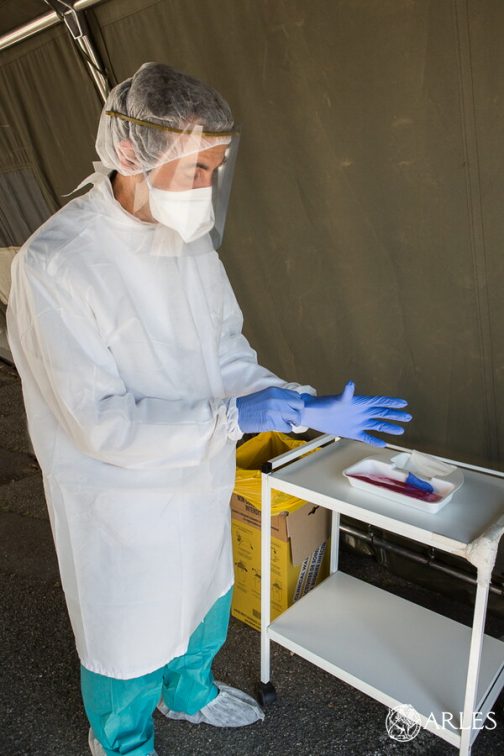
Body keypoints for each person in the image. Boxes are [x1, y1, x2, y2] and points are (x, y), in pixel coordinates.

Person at [6, 63, 412, 756]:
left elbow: (223, 351)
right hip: (121, 501)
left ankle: (189, 691)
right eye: (197, 168)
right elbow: (100, 422)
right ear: (130, 152)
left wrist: (299, 405)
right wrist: (233, 420)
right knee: (129, 629)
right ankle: (121, 738)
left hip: (198, 477)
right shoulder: (56, 265)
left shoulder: (184, 240)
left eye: (216, 170)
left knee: (204, 590)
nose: (207, 188)